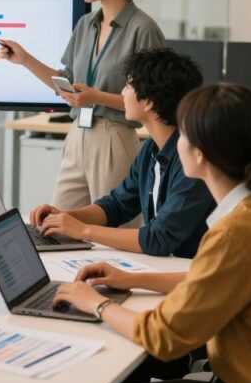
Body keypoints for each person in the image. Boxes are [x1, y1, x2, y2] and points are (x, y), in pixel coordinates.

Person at [53, 83, 251, 383]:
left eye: (182, 135)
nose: (176, 142)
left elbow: (161, 337)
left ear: (200, 153)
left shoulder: (237, 233)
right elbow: (213, 278)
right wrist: (133, 279)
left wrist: (97, 304)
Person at [0, 0, 165, 210]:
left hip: (114, 137)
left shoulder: (143, 29)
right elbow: (66, 81)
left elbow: (151, 99)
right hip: (77, 134)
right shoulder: (86, 24)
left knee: (115, 228)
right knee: (58, 224)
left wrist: (95, 98)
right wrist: (25, 59)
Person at [31, 48, 215, 258]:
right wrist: (65, 216)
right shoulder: (151, 149)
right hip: (171, 266)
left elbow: (158, 239)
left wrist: (83, 230)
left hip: (195, 272)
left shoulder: (193, 161)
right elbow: (117, 206)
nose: (122, 93)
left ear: (149, 102)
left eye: (128, 85)